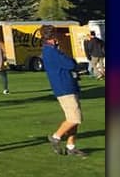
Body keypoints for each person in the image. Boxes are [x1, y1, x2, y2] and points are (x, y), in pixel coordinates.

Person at [41, 27, 86, 157]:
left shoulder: (51, 50)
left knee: (72, 119)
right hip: (64, 87)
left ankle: (71, 146)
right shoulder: (52, 52)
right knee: (75, 118)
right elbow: (70, 64)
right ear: (52, 37)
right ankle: (56, 137)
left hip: (68, 86)